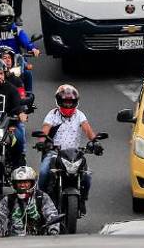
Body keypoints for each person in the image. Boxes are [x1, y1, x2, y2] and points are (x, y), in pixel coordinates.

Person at [36, 85, 99, 216]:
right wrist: (42, 143)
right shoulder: (52, 115)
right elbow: (44, 131)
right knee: (43, 172)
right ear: (59, 101)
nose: (68, 105)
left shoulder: (79, 115)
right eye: (65, 102)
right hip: (55, 153)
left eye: (71, 102)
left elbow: (87, 130)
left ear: (75, 102)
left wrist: (95, 142)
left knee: (87, 176)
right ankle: (39, 201)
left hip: (74, 154)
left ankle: (82, 200)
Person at [0, 2, 39, 92]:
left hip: (16, 60)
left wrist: (33, 49)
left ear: (12, 18)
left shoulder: (17, 31)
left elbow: (26, 43)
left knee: (27, 73)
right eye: (1, 19)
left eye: (7, 18)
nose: (4, 21)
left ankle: (29, 96)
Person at [0, 166, 63, 237]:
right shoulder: (9, 199)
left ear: (32, 182)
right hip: (13, 241)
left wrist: (53, 228)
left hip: (39, 240)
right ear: (14, 184)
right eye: (19, 182)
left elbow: (51, 214)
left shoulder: (42, 197)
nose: (22, 185)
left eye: (25, 182)